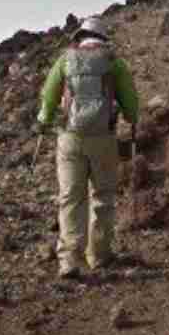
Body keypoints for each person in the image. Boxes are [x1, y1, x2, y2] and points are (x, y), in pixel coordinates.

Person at [34, 23, 141, 278]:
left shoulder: (65, 60)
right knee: (103, 195)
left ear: (79, 38)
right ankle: (99, 255)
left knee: (71, 197)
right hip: (103, 139)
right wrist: (130, 118)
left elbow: (49, 95)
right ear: (103, 37)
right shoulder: (114, 63)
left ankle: (69, 260)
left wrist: (43, 122)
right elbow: (131, 102)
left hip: (70, 138)